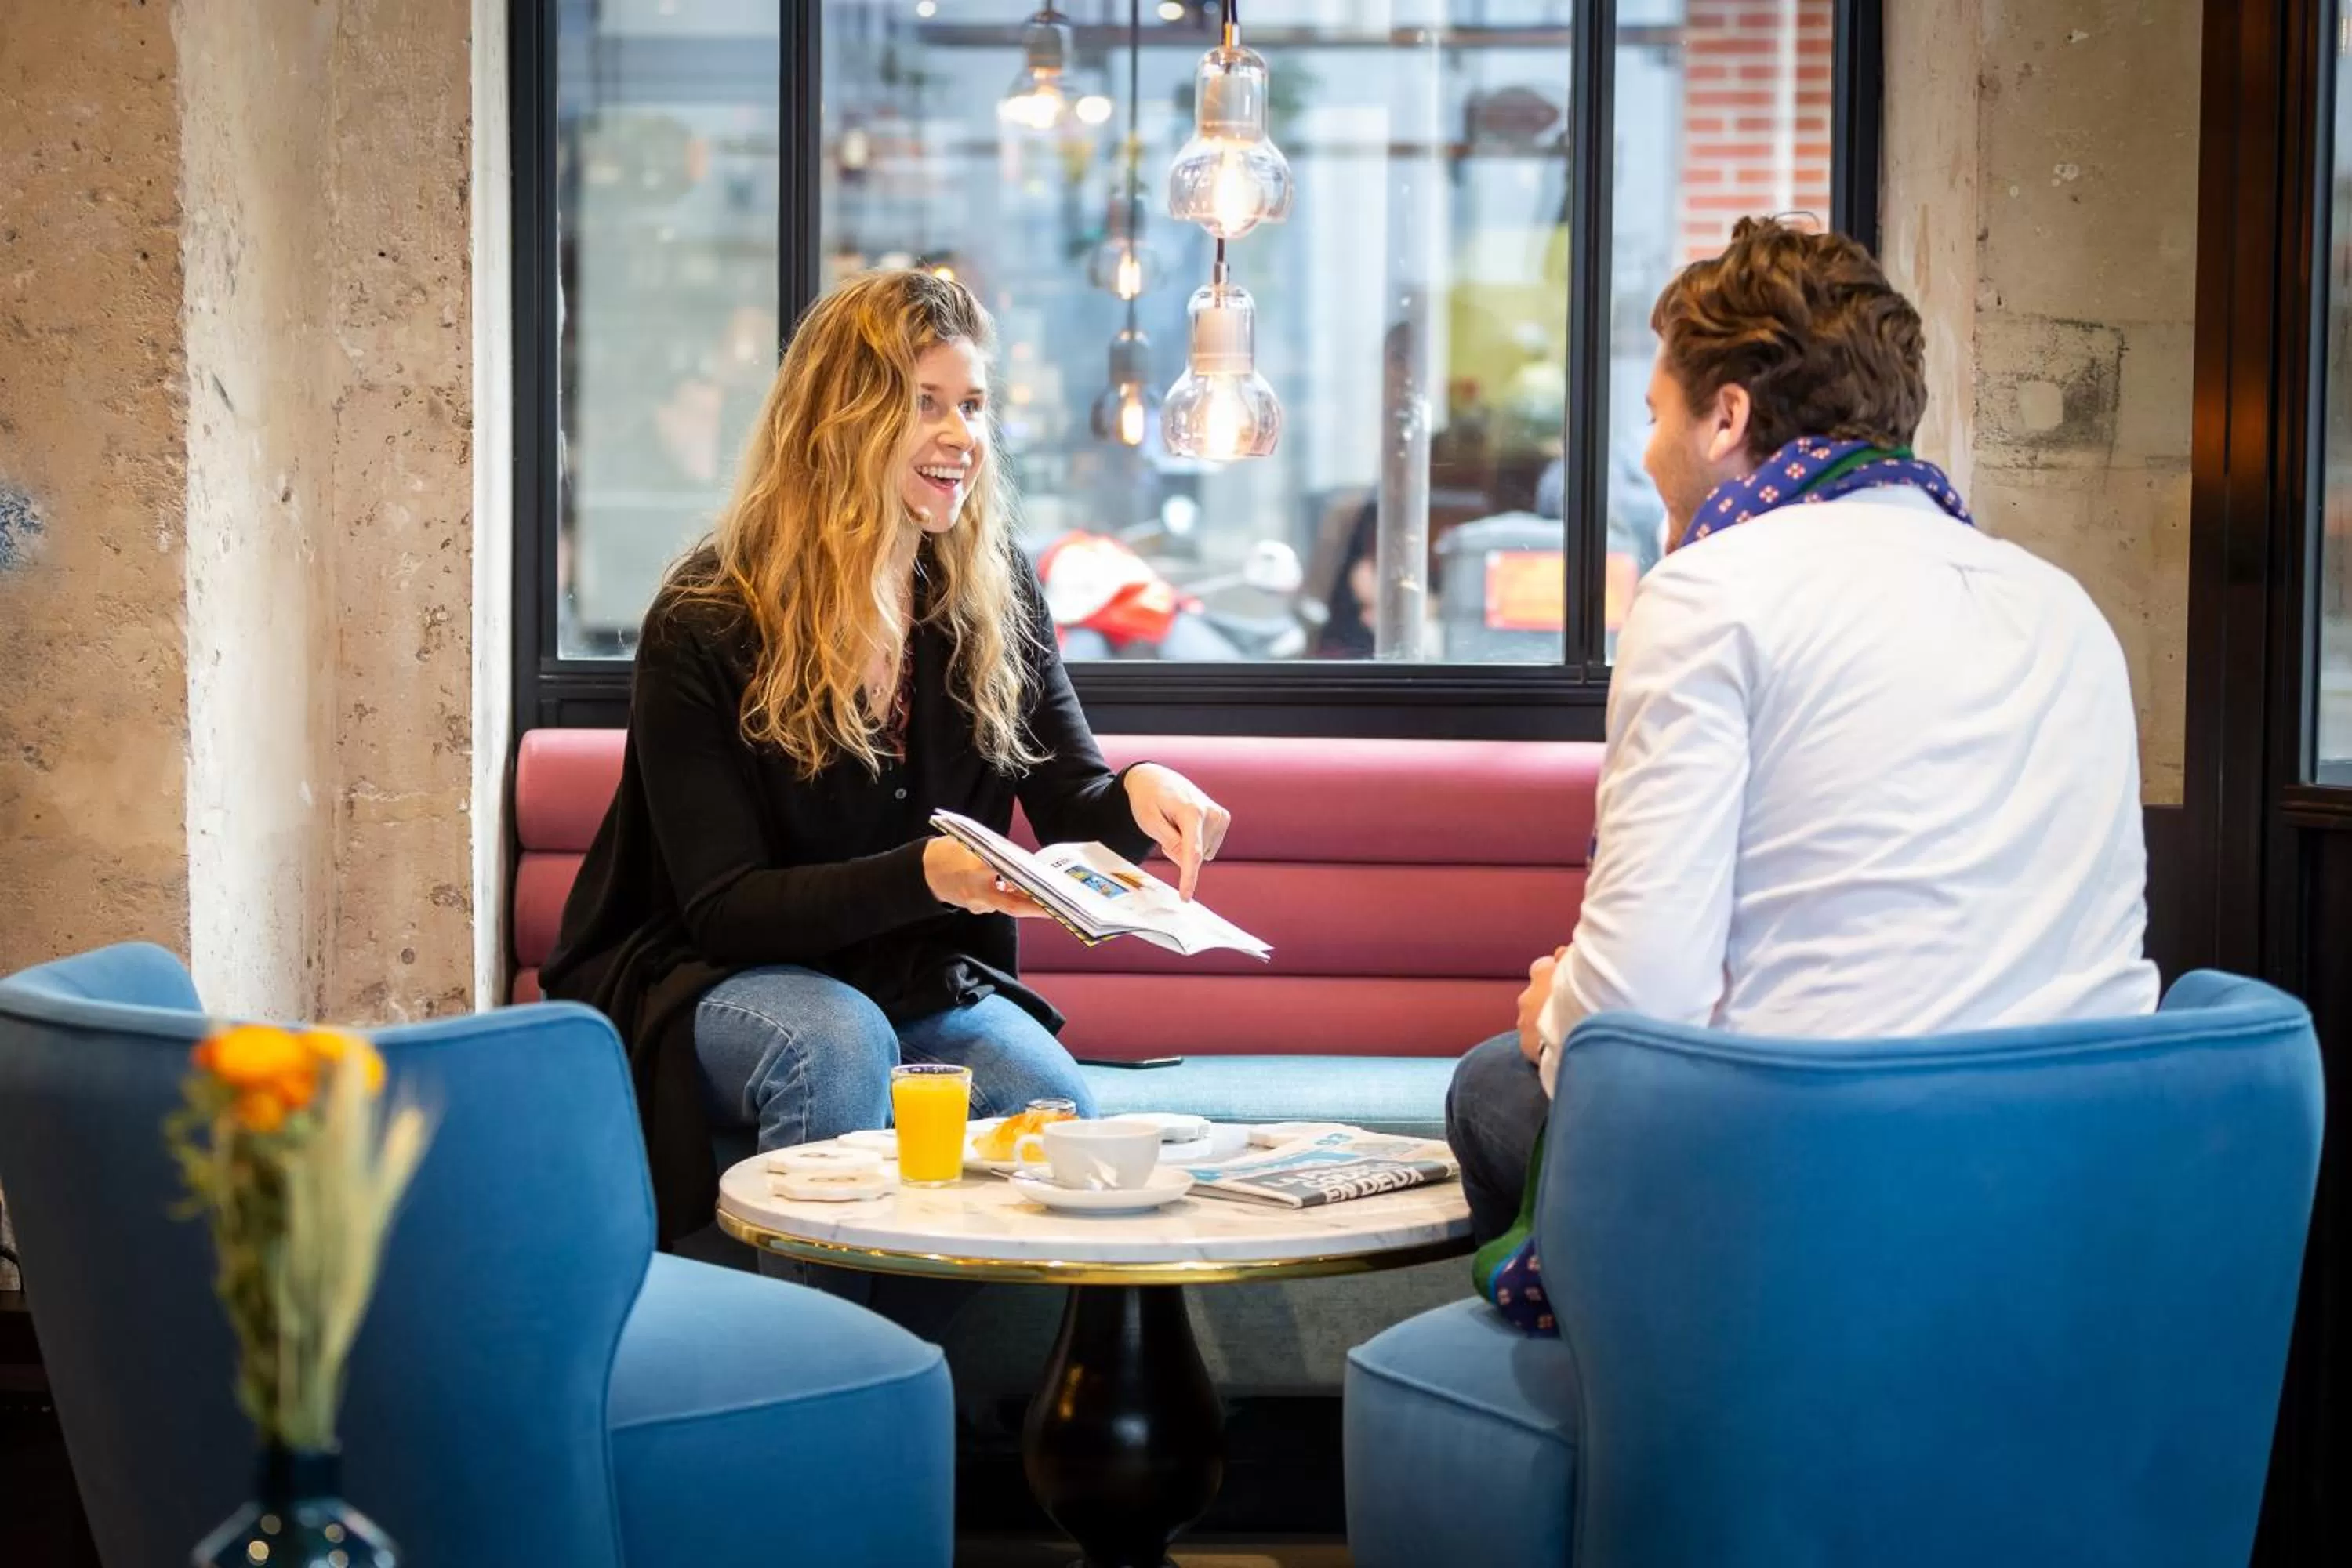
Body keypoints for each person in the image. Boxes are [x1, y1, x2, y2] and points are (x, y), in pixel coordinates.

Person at [1447, 216, 2159, 1245]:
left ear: (1726, 415)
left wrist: (1558, 1012)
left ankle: (1635, 1389)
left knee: (1493, 1085)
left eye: (1655, 415)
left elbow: (1637, 1009)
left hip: (1830, 1181)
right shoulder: (2063, 605)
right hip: (2072, 1177)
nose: (1646, 456)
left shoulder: (1709, 595)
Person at [542, 269, 1232, 1252]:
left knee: (1051, 1105)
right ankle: (804, 1384)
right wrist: (927, 875)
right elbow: (723, 904)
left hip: (910, 978)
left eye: (974, 406)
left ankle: (941, 1383)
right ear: (840, 420)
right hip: (711, 974)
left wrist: (1142, 792)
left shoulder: (992, 592)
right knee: (836, 1042)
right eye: (926, 403)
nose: (963, 436)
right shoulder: (708, 615)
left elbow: (1073, 800)